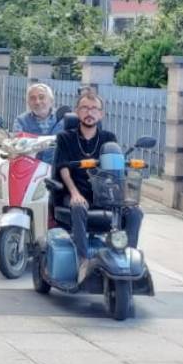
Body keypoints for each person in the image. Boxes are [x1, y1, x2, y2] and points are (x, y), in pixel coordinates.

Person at [54, 89, 143, 259]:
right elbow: (63, 168)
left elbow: (117, 170)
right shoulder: (65, 137)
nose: (90, 112)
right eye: (85, 108)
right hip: (76, 192)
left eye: (94, 109)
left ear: (101, 114)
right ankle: (82, 261)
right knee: (79, 207)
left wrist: (124, 197)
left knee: (135, 212)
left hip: (104, 195)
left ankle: (127, 257)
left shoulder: (109, 138)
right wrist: (74, 193)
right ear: (77, 111)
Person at [14, 82, 63, 163]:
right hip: (30, 168)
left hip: (57, 169)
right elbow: (17, 144)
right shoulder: (21, 121)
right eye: (32, 98)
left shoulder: (62, 119)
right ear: (28, 102)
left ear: (51, 100)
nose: (37, 102)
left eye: (41, 97)